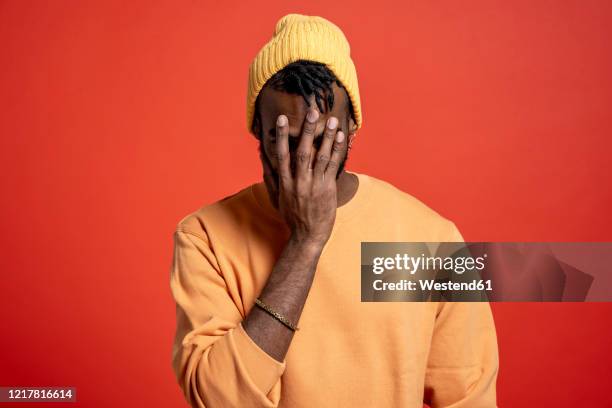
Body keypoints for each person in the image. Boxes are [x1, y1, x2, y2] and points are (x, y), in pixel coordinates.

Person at [170, 13, 498, 408]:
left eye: (324, 138)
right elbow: (219, 400)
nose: (304, 158)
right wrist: (306, 242)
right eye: (286, 140)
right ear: (256, 128)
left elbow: (469, 399)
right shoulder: (205, 237)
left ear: (352, 128)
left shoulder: (432, 242)